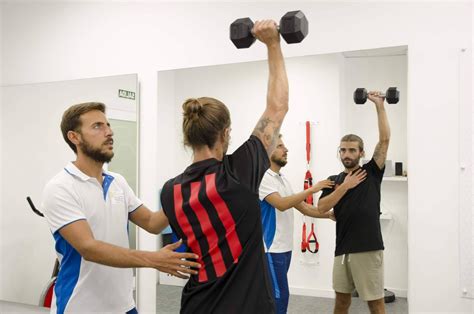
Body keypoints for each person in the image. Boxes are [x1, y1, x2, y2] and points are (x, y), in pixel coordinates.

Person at [159, 20, 287, 313]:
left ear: (188, 136)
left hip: (196, 305)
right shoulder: (240, 172)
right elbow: (277, 107)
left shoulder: (170, 191)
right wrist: (272, 44)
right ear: (226, 133)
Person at [41, 102, 200, 314]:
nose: (109, 132)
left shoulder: (117, 181)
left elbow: (152, 223)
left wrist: (185, 191)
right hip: (80, 307)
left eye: (107, 125)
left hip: (123, 305)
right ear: (74, 137)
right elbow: (89, 248)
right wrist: (153, 259)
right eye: (97, 126)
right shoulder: (60, 187)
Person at [317, 91, 390, 314]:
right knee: (341, 301)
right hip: (343, 249)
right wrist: (345, 186)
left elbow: (384, 140)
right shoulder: (333, 180)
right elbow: (322, 207)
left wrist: (379, 105)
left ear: (361, 152)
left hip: (367, 248)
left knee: (375, 303)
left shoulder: (371, 172)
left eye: (351, 150)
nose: (347, 154)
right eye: (343, 150)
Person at [259, 134, 335, 314]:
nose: (286, 149)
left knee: (274, 295)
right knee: (279, 296)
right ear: (268, 152)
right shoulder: (264, 178)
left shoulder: (282, 179)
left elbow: (305, 208)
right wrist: (312, 189)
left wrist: (333, 215)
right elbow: (282, 204)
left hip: (285, 248)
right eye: (280, 146)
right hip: (271, 249)